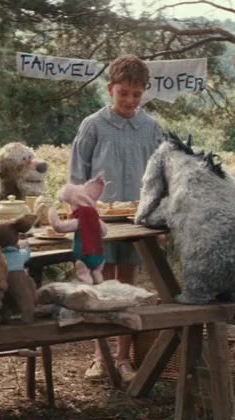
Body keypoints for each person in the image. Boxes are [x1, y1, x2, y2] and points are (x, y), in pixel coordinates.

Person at [67, 55, 164, 380]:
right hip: (101, 222)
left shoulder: (152, 128)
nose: (130, 100)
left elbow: (160, 177)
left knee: (127, 287)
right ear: (111, 89)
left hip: (137, 222)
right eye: (124, 93)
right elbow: (77, 175)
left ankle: (123, 359)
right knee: (102, 286)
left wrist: (158, 221)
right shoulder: (93, 125)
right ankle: (100, 357)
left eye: (137, 94)